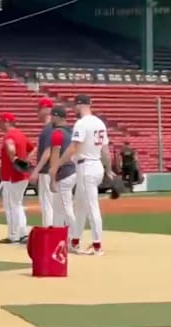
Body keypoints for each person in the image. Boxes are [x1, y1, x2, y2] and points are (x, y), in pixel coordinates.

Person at [56, 95, 114, 256]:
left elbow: (74, 147)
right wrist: (108, 169)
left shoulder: (81, 124)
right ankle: (75, 241)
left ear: (80, 105)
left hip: (85, 167)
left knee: (91, 206)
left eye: (75, 106)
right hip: (96, 165)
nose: (74, 109)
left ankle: (97, 245)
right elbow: (105, 150)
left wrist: (59, 163)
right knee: (81, 205)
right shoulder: (99, 123)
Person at [0, 112, 33, 244]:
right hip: (22, 175)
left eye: (1, 122)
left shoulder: (9, 135)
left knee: (11, 206)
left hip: (11, 176)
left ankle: (14, 235)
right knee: (17, 204)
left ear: (7, 122)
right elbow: (32, 148)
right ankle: (23, 233)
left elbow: (10, 147)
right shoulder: (21, 134)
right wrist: (25, 160)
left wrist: (14, 158)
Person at [46, 106, 79, 252]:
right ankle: (60, 238)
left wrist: (52, 178)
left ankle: (73, 239)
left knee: (65, 208)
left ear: (58, 117)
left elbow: (54, 156)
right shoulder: (71, 132)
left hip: (63, 174)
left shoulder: (57, 133)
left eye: (53, 116)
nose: (51, 118)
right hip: (72, 170)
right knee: (59, 208)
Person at [30, 97, 55, 226]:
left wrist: (36, 170)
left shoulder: (48, 129)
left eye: (39, 109)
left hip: (46, 171)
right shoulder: (56, 127)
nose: (37, 113)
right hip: (56, 170)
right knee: (55, 204)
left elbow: (47, 152)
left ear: (46, 109)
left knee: (47, 203)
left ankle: (49, 231)